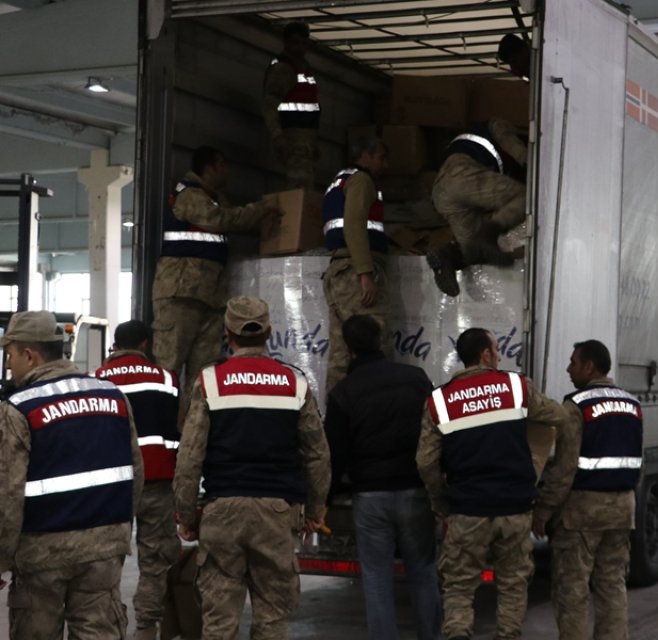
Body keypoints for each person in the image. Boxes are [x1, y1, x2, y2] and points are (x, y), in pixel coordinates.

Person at [172, 295, 331, 639]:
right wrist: (316, 510)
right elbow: (317, 454)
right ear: (269, 332)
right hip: (276, 514)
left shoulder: (210, 382)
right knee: (272, 621)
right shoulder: (295, 383)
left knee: (218, 624)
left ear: (227, 334)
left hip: (222, 512)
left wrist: (186, 516)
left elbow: (189, 456)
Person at [0, 311, 143, 639]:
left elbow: (1, 495)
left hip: (43, 552)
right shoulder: (113, 397)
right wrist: (119, 530)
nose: (9, 365)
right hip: (104, 548)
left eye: (10, 355)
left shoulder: (17, 409)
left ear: (30, 354)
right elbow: (135, 474)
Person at [416, 328, 572, 640]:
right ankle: (507, 635)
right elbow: (558, 416)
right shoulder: (516, 387)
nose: (500, 356)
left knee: (459, 587)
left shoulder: (440, 401)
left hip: (467, 508)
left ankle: (459, 634)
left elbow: (425, 461)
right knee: (513, 584)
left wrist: (441, 501)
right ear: (486, 355)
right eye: (497, 350)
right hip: (514, 508)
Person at [325, 315, 440, 640]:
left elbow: (335, 455)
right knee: (423, 572)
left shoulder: (343, 393)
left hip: (371, 497)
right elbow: (436, 432)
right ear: (380, 340)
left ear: (348, 349)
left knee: (376, 578)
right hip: (415, 491)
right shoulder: (416, 379)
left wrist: (324, 501)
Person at [533, 339, 642, 640]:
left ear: (590, 366)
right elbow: (636, 463)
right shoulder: (632, 404)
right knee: (612, 586)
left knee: (572, 591)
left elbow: (565, 469)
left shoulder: (576, 405)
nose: (569, 368)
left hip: (582, 513)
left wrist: (543, 509)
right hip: (622, 509)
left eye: (573, 362)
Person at [152, 145, 278, 400]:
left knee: (204, 371)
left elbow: (231, 220)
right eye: (222, 165)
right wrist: (262, 209)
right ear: (209, 168)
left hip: (210, 296)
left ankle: (192, 429)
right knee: (169, 365)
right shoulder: (189, 195)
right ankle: (162, 430)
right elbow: (223, 220)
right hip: (181, 292)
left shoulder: (215, 198)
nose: (227, 171)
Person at [94, 320, 181, 640]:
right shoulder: (167, 379)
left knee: (106, 557)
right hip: (157, 479)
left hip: (113, 484)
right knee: (155, 557)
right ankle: (146, 626)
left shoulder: (96, 379)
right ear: (145, 344)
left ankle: (105, 624)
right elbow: (176, 426)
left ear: (116, 344)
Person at [425, 119, 529, 297]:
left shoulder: (467, 141)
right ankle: (489, 234)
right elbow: (524, 157)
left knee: (474, 252)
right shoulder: (499, 125)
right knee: (525, 197)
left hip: (441, 192)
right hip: (462, 175)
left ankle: (446, 256)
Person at [322, 136, 392, 389]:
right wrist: (365, 273)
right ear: (365, 156)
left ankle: (335, 420)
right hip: (354, 273)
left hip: (339, 272)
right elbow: (354, 225)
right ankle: (376, 415)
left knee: (342, 352)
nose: (385, 165)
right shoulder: (361, 180)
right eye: (381, 158)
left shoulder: (338, 182)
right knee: (376, 342)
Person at [263, 21, 321, 189]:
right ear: (287, 42)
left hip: (306, 140)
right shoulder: (283, 69)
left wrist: (314, 141)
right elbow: (270, 104)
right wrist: (277, 136)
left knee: (304, 186)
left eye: (304, 43)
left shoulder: (304, 69)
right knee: (298, 187)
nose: (300, 48)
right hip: (292, 140)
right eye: (296, 42)